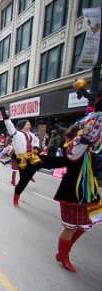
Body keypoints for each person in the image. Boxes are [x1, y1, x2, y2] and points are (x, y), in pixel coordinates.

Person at [53, 90, 102, 272]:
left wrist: (92, 101)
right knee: (71, 227)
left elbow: (92, 127)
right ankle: (63, 255)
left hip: (87, 191)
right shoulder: (75, 147)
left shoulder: (85, 146)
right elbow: (92, 131)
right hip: (72, 191)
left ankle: (64, 252)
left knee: (86, 224)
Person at [0, 106, 65, 207]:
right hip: (22, 160)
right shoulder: (16, 134)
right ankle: (16, 196)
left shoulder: (31, 135)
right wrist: (4, 114)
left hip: (33, 157)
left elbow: (36, 141)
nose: (30, 125)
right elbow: (9, 125)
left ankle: (67, 161)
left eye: (29, 124)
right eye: (28, 124)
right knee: (23, 181)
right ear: (23, 126)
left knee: (48, 160)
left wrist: (36, 148)